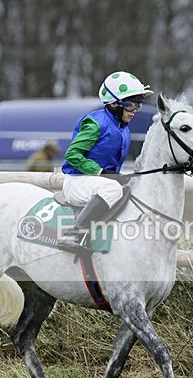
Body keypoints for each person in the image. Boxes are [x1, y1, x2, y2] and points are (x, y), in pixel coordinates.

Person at [57, 71, 153, 251]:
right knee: (112, 189)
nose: (134, 111)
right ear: (114, 103)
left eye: (138, 106)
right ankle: (73, 235)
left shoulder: (123, 128)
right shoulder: (95, 123)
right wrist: (101, 172)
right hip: (77, 181)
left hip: (96, 182)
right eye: (130, 105)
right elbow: (72, 154)